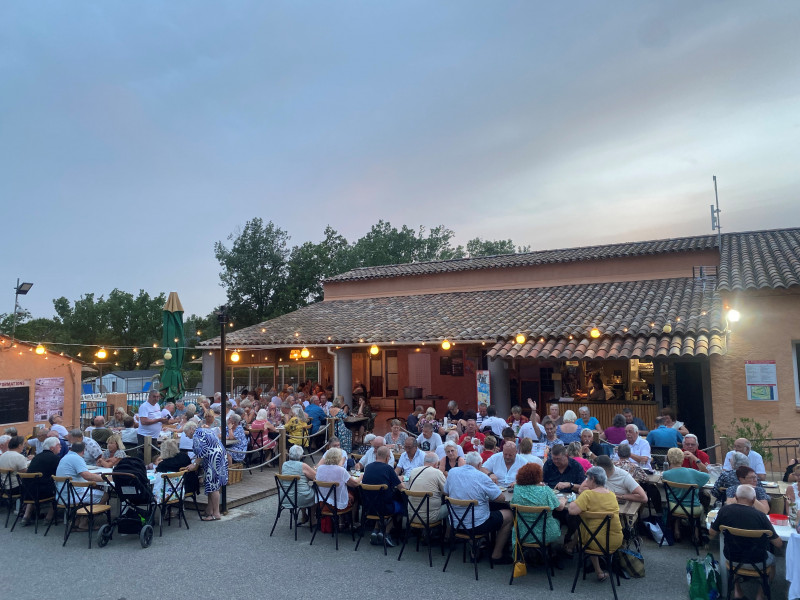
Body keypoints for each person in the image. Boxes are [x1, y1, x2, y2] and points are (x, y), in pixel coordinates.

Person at [710, 485, 782, 600]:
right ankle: (760, 595)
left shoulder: (724, 511)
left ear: (735, 497)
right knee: (772, 561)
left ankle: (737, 591)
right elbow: (778, 544)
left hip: (732, 558)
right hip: (758, 560)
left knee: (735, 549)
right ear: (753, 500)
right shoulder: (761, 516)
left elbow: (712, 533)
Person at [445, 451, 514, 564]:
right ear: (479, 465)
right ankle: (496, 554)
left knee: (477, 512)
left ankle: (475, 549)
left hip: (456, 523)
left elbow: (446, 491)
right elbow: (500, 498)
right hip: (476, 526)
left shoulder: (452, 472)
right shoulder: (482, 477)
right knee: (509, 515)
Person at [568, 467, 623, 581]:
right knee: (594, 528)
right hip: (615, 540)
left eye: (587, 479)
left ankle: (570, 547)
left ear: (592, 479)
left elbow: (572, 511)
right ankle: (599, 572)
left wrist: (569, 501)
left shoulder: (587, 494)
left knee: (586, 528)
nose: (586, 481)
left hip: (593, 541)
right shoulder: (612, 495)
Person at [511, 462, 566, 547]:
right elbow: (560, 508)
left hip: (521, 533)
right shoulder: (546, 490)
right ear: (539, 476)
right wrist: (563, 500)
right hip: (545, 534)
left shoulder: (517, 489)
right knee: (557, 520)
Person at [183, 421, 228, 521]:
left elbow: (202, 451)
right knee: (211, 485)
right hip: (220, 457)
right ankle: (209, 510)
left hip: (213, 459)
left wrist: (195, 464)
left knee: (213, 486)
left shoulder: (196, 435)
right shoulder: (204, 430)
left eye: (186, 433)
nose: (186, 435)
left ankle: (216, 513)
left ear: (191, 429)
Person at [55, 442, 106, 528]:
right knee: (105, 495)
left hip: (61, 495)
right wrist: (105, 479)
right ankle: (85, 521)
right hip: (72, 496)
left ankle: (77, 520)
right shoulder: (77, 458)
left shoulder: (65, 458)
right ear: (83, 451)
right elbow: (87, 476)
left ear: (71, 448)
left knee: (91, 491)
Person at [662, 447, 710, 539]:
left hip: (673, 507)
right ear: (682, 459)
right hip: (692, 507)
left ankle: (676, 528)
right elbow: (707, 475)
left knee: (677, 498)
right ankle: (697, 531)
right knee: (703, 501)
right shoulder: (692, 472)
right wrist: (696, 460)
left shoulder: (666, 474)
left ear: (668, 459)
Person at [362, 446, 405, 546]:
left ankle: (375, 530)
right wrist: (401, 480)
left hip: (368, 508)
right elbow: (401, 488)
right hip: (385, 508)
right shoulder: (388, 469)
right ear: (387, 457)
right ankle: (386, 532)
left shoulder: (368, 467)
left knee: (378, 500)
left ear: (376, 455)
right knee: (402, 506)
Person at [19, 436, 61, 526]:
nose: (60, 447)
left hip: (27, 491)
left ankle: (26, 516)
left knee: (34, 485)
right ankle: (49, 518)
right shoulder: (55, 459)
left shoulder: (36, 457)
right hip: (43, 492)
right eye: (59, 445)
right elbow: (59, 475)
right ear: (52, 448)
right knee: (60, 489)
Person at [315, 447, 360, 514]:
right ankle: (353, 518)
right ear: (339, 458)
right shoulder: (341, 470)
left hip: (322, 504)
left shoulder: (320, 468)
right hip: (337, 506)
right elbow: (355, 484)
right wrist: (361, 476)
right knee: (356, 494)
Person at [406, 452, 448, 524]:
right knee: (453, 506)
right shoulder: (437, 472)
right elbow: (446, 491)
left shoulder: (413, 471)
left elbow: (408, 487)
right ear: (436, 464)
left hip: (412, 515)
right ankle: (449, 531)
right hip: (430, 517)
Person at [281, 444, 317, 524]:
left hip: (285, 497)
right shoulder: (303, 465)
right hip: (300, 497)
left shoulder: (284, 465)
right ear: (301, 455)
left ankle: (304, 515)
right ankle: (312, 518)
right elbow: (316, 476)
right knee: (315, 493)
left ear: (289, 454)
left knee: (299, 488)